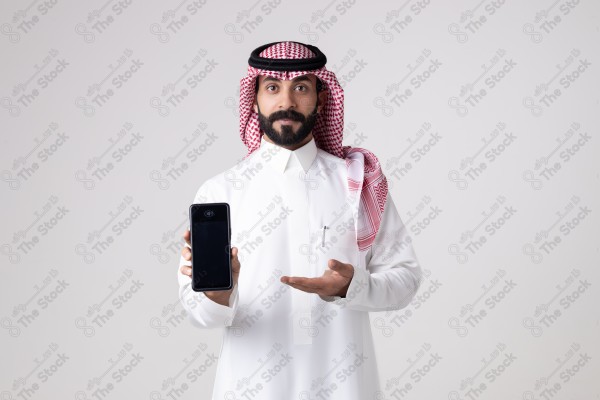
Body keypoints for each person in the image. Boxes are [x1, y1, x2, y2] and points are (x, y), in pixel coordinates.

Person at [177, 40, 423, 399]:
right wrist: (217, 293)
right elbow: (199, 315)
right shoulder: (220, 191)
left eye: (301, 88)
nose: (287, 102)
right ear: (255, 98)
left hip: (346, 387)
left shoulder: (356, 183)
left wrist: (349, 288)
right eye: (273, 88)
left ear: (322, 99)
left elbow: (406, 279)